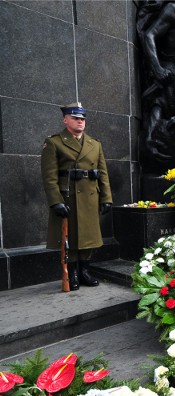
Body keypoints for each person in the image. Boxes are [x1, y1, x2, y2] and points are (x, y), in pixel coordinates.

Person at [41, 102, 113, 291]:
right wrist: (55, 201)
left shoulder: (94, 144)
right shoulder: (54, 142)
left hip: (90, 197)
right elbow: (50, 177)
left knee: (88, 236)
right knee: (71, 237)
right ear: (65, 120)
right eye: (75, 118)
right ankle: (72, 273)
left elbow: (103, 173)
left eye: (82, 119)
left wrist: (106, 198)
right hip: (69, 197)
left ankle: (84, 271)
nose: (80, 122)